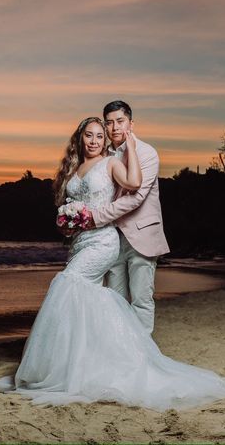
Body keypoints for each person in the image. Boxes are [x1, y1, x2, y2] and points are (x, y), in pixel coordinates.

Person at [0, 116, 225, 411]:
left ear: (105, 141)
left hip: (103, 242)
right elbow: (69, 209)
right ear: (79, 138)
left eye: (99, 136)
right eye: (89, 135)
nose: (94, 141)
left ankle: (74, 368)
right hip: (79, 242)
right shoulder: (73, 168)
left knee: (68, 283)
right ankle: (85, 363)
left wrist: (132, 145)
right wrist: (67, 223)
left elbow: (134, 184)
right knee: (85, 298)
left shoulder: (110, 163)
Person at [86, 100, 169, 334]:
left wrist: (94, 217)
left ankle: (143, 358)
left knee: (141, 300)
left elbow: (135, 198)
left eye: (120, 122)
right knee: (115, 301)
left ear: (131, 123)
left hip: (142, 237)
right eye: (109, 123)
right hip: (111, 238)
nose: (114, 128)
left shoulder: (147, 153)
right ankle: (121, 353)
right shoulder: (104, 155)